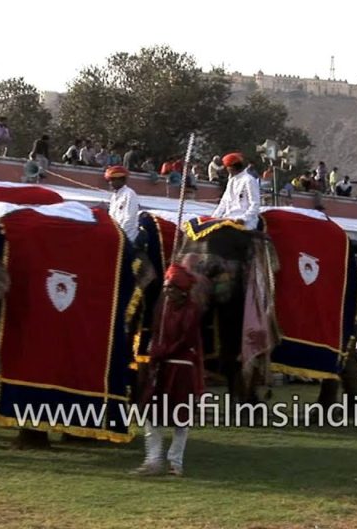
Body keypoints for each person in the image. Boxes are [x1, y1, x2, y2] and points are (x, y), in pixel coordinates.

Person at [132, 263, 204, 477]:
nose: (167, 291)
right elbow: (155, 333)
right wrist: (154, 354)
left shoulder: (192, 310)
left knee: (180, 418)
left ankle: (176, 463)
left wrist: (162, 352)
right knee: (150, 414)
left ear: (183, 290)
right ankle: (153, 460)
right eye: (166, 287)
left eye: (172, 287)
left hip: (181, 369)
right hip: (161, 367)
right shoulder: (161, 308)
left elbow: (186, 340)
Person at [211, 153, 261, 230]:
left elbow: (255, 204)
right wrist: (213, 217)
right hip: (229, 219)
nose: (226, 170)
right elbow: (223, 203)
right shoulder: (231, 181)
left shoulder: (249, 180)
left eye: (227, 167)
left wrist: (243, 218)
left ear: (231, 167)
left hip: (246, 222)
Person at [105, 165, 140, 245]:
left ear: (121, 180)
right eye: (109, 180)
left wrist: (121, 237)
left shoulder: (129, 194)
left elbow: (129, 219)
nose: (110, 183)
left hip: (128, 237)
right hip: (115, 235)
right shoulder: (114, 197)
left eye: (112, 180)